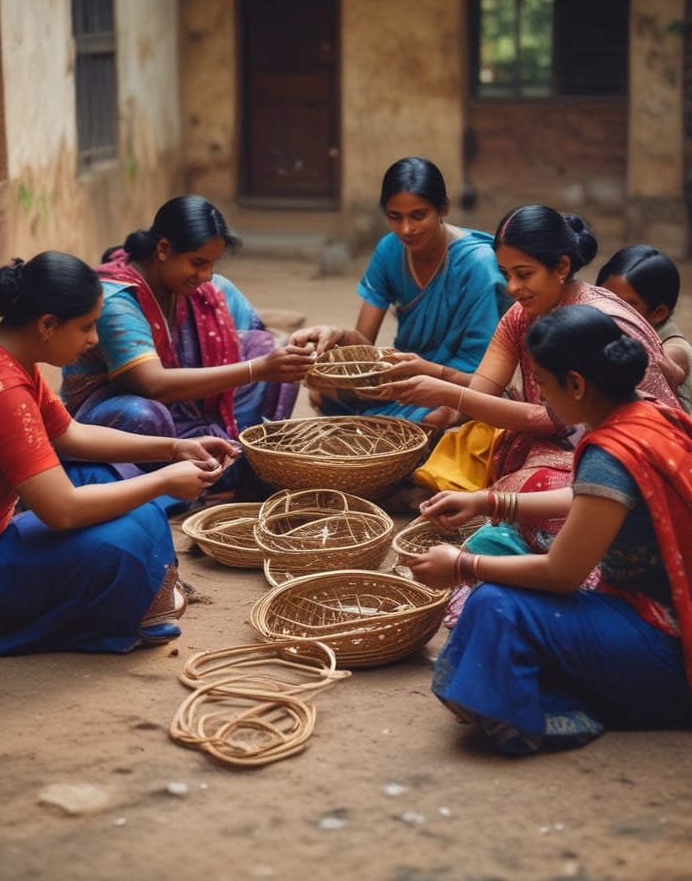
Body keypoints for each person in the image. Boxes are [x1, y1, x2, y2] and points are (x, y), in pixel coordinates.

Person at [0, 252, 240, 658]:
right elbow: (63, 511)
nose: (93, 339)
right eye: (87, 326)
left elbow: (69, 433)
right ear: (47, 324)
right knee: (125, 536)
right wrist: (162, 479)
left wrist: (174, 447)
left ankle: (147, 594)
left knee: (122, 490)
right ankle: (137, 602)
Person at [409, 305, 692, 754]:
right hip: (666, 618)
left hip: (666, 649)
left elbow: (562, 572)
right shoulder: (649, 414)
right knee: (505, 572)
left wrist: (462, 565)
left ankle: (532, 718)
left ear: (576, 384)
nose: (538, 394)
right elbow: (591, 498)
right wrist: (488, 501)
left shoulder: (611, 451)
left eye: (540, 382)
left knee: (494, 604)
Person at [61, 195, 315, 497]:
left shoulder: (204, 291)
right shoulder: (116, 298)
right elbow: (151, 385)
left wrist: (288, 354)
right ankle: (170, 486)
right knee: (144, 414)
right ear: (164, 249)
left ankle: (248, 459)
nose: (205, 275)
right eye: (197, 263)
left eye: (211, 263)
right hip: (122, 418)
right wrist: (256, 370)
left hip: (186, 412)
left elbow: (259, 345)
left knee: (267, 349)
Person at [288, 156, 510, 422]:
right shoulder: (389, 249)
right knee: (322, 393)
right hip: (407, 373)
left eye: (419, 215)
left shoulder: (479, 264)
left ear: (444, 209)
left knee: (435, 419)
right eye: (395, 217)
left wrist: (427, 373)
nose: (407, 229)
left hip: (459, 383)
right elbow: (363, 341)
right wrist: (336, 333)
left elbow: (483, 373)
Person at [596, 244, 692, 413]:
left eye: (627, 304)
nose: (612, 309)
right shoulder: (615, 331)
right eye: (605, 297)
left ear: (658, 313)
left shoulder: (673, 351)